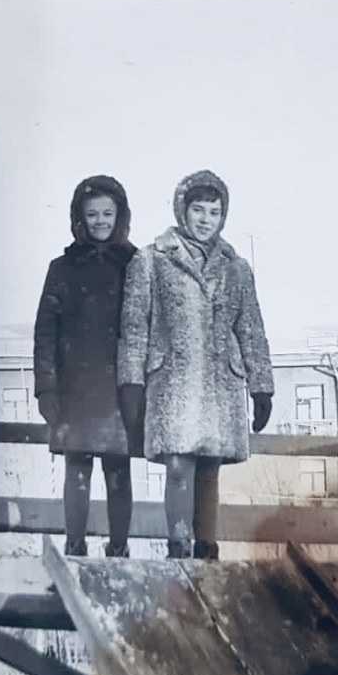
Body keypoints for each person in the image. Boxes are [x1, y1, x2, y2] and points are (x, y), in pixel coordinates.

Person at [117, 169, 274, 559]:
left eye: (214, 212)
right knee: (178, 466)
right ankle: (178, 549)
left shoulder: (236, 267)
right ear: (182, 210)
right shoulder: (152, 260)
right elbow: (134, 327)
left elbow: (251, 329)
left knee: (208, 470)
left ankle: (207, 553)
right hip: (173, 382)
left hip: (220, 384)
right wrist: (131, 383)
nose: (206, 219)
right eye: (198, 210)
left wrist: (261, 387)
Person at [34, 175, 137, 557]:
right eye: (92, 214)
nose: (100, 221)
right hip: (74, 393)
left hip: (121, 393)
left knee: (119, 473)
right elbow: (45, 333)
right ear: (79, 217)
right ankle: (74, 553)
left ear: (120, 216)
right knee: (76, 472)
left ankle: (119, 555)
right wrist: (46, 389)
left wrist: (142, 390)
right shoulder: (61, 269)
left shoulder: (136, 265)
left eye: (107, 213)